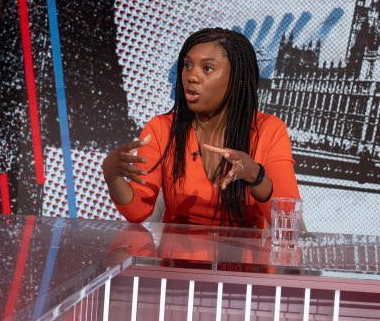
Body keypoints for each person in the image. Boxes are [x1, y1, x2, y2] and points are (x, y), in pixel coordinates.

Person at [102, 28, 300, 228]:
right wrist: (112, 176)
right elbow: (138, 211)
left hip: (245, 256)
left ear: (236, 78)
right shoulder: (161, 128)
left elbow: (287, 219)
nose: (191, 76)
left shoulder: (269, 129)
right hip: (177, 256)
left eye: (207, 68)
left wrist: (256, 176)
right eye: (187, 65)